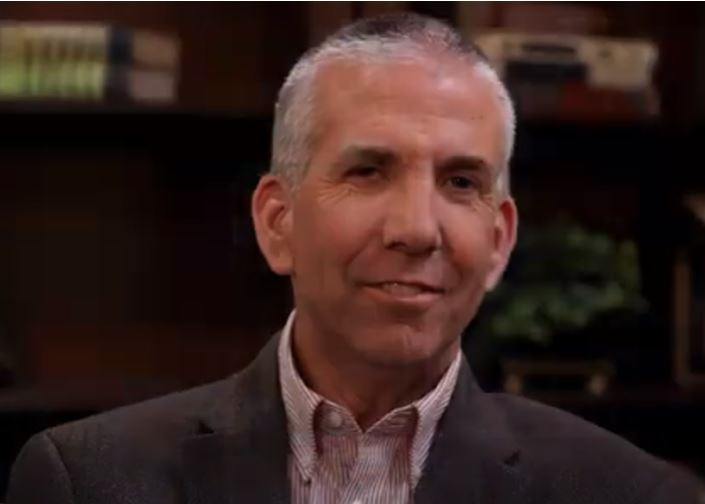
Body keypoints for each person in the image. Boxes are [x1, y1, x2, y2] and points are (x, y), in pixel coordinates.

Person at [6, 13, 702, 504]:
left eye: (461, 182)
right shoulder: (87, 482)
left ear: (499, 242)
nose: (416, 229)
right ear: (276, 222)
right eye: (368, 172)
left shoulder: (634, 494)